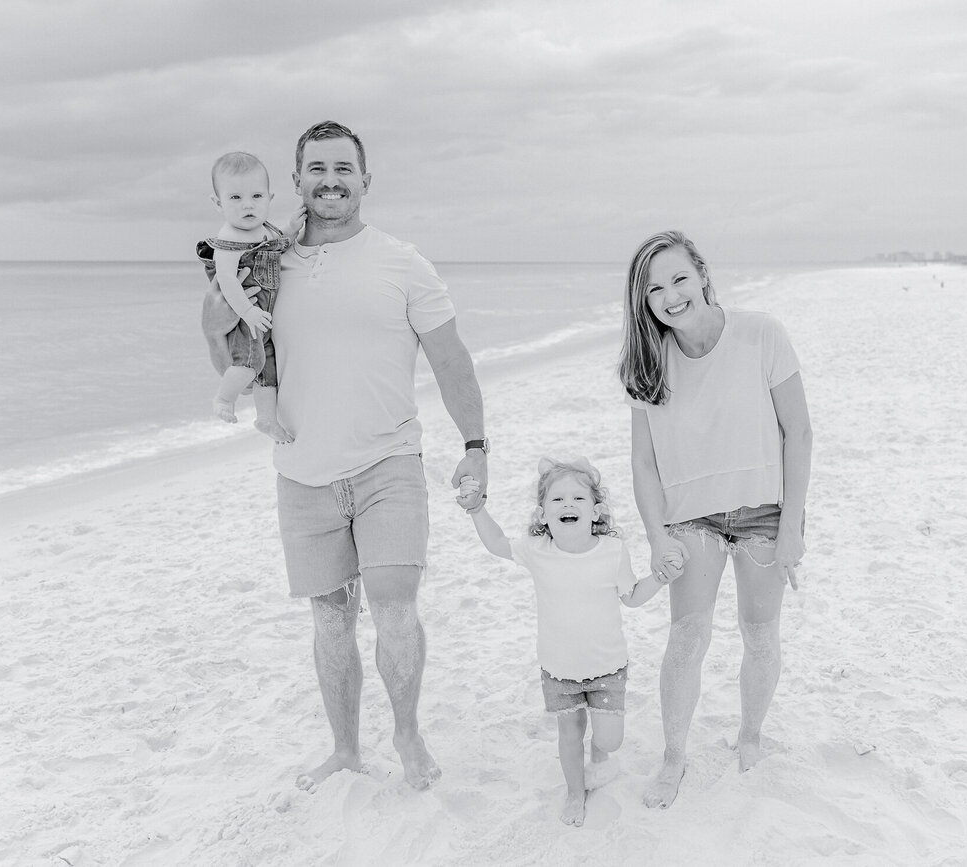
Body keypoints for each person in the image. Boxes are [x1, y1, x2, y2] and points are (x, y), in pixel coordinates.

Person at [270, 121, 487, 792]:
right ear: (297, 178)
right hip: (301, 471)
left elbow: (450, 359)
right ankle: (344, 748)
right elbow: (227, 335)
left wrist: (476, 445)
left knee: (394, 605)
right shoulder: (268, 264)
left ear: (366, 180)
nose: (329, 179)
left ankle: (407, 732)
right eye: (316, 168)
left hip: (387, 463)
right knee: (330, 617)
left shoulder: (403, 261)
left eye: (343, 167)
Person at [618, 230, 812, 807]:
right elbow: (643, 460)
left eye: (679, 278)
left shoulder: (761, 334)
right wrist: (656, 537)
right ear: (643, 301)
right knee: (687, 637)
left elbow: (797, 431)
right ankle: (673, 757)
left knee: (760, 635)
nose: (670, 295)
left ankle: (750, 736)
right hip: (691, 518)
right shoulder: (647, 361)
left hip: (764, 514)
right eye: (654, 289)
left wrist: (794, 526)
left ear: (702, 273)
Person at [456, 458, 679, 827]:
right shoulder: (537, 550)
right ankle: (575, 793)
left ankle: (600, 756)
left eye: (578, 497)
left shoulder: (612, 551)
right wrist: (477, 509)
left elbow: (633, 596)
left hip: (608, 667)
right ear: (542, 514)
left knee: (610, 741)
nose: (567, 505)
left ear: (596, 511)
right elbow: (497, 543)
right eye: (557, 500)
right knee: (569, 736)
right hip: (559, 670)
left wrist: (660, 578)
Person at [197, 151, 306, 442]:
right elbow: (229, 281)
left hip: (263, 318)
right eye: (235, 198)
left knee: (267, 369)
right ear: (218, 203)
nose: (248, 205)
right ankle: (224, 398)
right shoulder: (229, 238)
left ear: (270, 198)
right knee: (249, 363)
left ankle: (267, 419)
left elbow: (277, 246)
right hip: (248, 317)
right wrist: (247, 312)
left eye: (256, 196)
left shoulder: (265, 231)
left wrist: (291, 231)